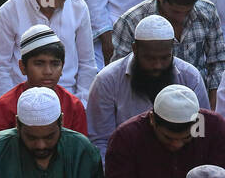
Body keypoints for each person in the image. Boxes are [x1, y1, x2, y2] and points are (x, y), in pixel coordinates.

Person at [110, 0, 225, 105]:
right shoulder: (130, 22)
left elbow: (217, 65)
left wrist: (210, 113)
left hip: (196, 103)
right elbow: (121, 79)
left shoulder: (208, 13)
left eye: (187, 11)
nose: (181, 18)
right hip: (144, 105)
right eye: (175, 11)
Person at [86, 13, 207, 155]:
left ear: (172, 50)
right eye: (149, 58)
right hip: (128, 163)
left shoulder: (191, 77)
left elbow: (200, 132)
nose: (157, 65)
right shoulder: (107, 81)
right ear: (135, 49)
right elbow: (101, 141)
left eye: (164, 58)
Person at [0, 0, 96, 105]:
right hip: (22, 102)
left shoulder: (79, 8)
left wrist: (80, 104)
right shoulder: (9, 11)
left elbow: (87, 64)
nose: (56, 4)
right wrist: (13, 108)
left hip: (68, 100)